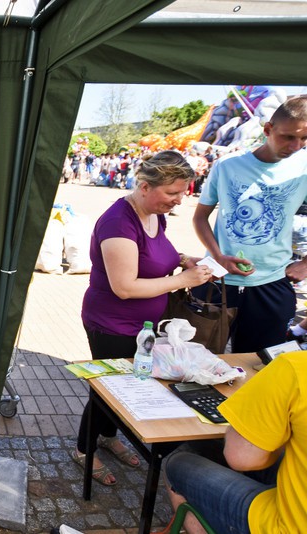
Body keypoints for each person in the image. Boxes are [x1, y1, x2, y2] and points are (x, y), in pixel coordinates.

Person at [71, 151, 213, 486]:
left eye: (183, 191)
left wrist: (182, 259)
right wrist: (182, 281)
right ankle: (83, 450)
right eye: (173, 193)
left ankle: (107, 436)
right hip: (111, 324)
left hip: (141, 325)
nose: (180, 200)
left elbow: (157, 252)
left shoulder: (155, 213)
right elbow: (124, 286)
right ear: (146, 186)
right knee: (108, 390)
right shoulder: (118, 222)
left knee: (127, 385)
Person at [193, 96, 307, 353]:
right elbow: (200, 217)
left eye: (304, 139)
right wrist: (219, 255)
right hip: (217, 281)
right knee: (198, 361)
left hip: (273, 283)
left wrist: (306, 263)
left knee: (260, 365)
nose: (296, 146)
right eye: (288, 137)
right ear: (268, 129)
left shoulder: (304, 169)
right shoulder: (226, 165)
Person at [164, 350, 306, 533]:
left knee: (176, 462)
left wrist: (266, 425)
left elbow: (241, 458)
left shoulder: (295, 366)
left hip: (286, 526)